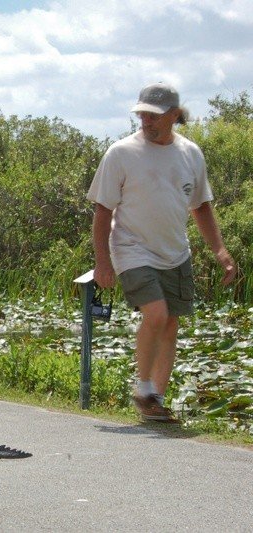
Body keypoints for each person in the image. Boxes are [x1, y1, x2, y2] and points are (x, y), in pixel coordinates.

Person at [87, 82, 237, 423]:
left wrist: (220, 250)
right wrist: (102, 262)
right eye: (141, 114)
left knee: (170, 324)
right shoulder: (121, 153)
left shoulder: (190, 154)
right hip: (131, 248)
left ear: (174, 115)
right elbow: (102, 211)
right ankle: (143, 387)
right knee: (155, 314)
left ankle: (155, 401)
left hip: (175, 252)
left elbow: (201, 206)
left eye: (153, 116)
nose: (145, 121)